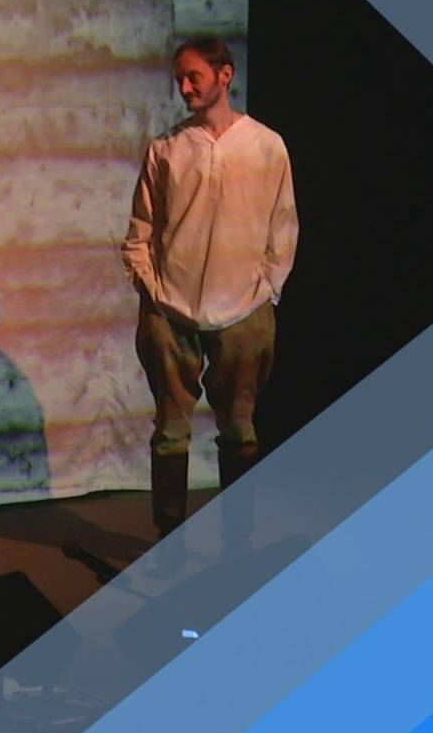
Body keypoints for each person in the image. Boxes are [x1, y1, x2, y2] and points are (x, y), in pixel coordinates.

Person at [120, 36, 299, 541]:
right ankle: (169, 540)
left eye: (193, 76)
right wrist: (152, 290)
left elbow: (283, 224)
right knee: (170, 431)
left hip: (243, 309)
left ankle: (237, 544)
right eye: (179, 78)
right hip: (171, 309)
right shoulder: (167, 148)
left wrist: (267, 289)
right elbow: (141, 230)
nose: (184, 87)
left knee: (240, 429)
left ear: (225, 75)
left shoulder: (266, 145)